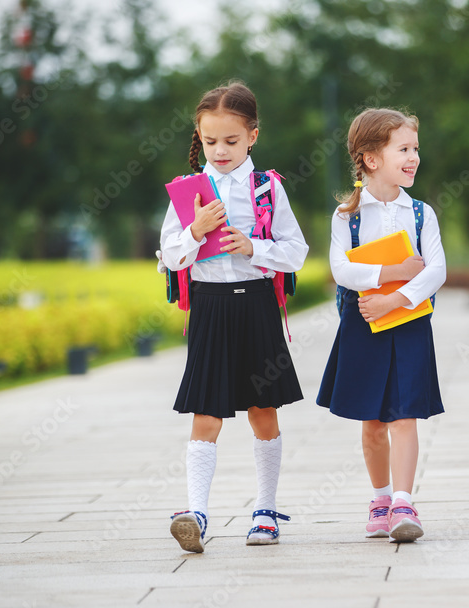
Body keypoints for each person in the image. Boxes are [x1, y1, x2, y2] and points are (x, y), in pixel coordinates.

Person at [158, 81, 308, 551]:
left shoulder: (268, 189)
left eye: (231, 141)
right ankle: (197, 514)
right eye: (209, 141)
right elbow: (168, 257)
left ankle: (265, 510)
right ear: (198, 139)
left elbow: (296, 251)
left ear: (253, 137)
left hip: (258, 304)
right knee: (206, 411)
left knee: (264, 410)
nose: (219, 151)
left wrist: (254, 247)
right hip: (210, 306)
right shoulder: (187, 192)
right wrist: (195, 231)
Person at [316, 108, 446, 543]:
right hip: (363, 323)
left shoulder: (423, 213)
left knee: (405, 413)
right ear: (371, 159)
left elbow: (436, 270)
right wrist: (394, 273)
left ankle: (405, 502)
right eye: (403, 149)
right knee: (372, 421)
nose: (413, 158)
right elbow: (341, 271)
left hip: (408, 321)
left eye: (415, 149)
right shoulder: (345, 216)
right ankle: (380, 498)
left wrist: (396, 297)